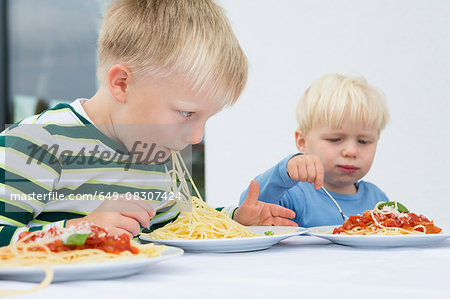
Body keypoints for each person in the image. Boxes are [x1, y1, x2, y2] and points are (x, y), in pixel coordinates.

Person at [0, 0, 296, 246]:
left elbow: (176, 225)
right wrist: (78, 232)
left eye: (207, 118)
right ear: (122, 84)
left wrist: (232, 218)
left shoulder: (153, 154)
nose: (196, 137)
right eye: (186, 113)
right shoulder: (36, 142)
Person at [239, 73, 390, 227]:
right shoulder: (295, 194)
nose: (351, 151)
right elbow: (249, 208)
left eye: (363, 141)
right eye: (335, 139)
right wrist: (283, 172)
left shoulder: (378, 201)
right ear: (302, 142)